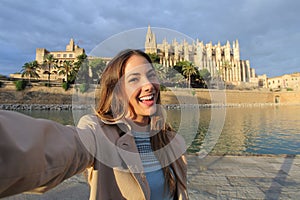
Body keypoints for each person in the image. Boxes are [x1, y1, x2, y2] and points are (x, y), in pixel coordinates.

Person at [0, 49, 188, 199]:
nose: (148, 85)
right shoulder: (99, 133)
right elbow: (57, 149)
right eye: (134, 79)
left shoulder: (171, 139)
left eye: (151, 75)